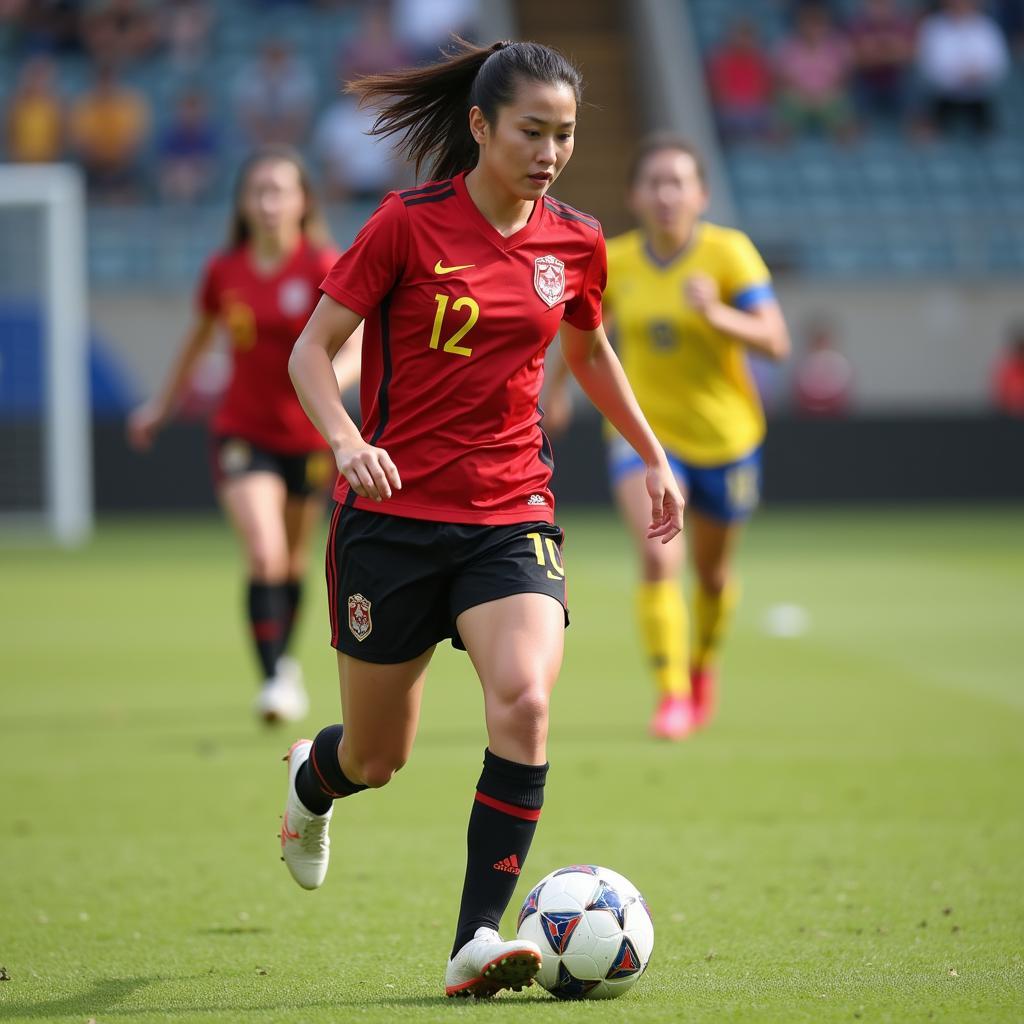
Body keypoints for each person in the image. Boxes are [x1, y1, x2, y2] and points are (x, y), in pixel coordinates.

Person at [281, 39, 683, 999]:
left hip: (512, 513)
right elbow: (310, 351)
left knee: (527, 699)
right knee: (378, 757)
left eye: (567, 134)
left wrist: (654, 451)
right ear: (479, 126)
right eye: (532, 131)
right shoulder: (406, 226)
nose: (550, 151)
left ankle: (476, 937)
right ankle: (310, 783)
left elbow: (587, 354)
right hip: (390, 518)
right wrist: (343, 441)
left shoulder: (576, 239)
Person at [546, 136, 790, 740]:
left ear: (702, 194)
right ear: (633, 195)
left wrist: (719, 316)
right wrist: (553, 391)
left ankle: (702, 665)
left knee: (710, 576)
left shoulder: (729, 254)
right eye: (653, 182)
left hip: (726, 438)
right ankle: (672, 693)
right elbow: (578, 332)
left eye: (678, 182)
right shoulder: (615, 260)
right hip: (644, 438)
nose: (665, 194)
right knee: (659, 560)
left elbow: (777, 342)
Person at [127, 146, 359, 723]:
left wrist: (330, 389)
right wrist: (160, 405)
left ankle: (284, 664)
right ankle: (275, 676)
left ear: (304, 200)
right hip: (241, 433)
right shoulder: (223, 272)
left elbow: (354, 345)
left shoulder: (323, 266)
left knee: (294, 564)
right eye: (258, 191)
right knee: (264, 553)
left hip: (308, 439)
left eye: (280, 190)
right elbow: (197, 342)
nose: (269, 202)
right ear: (242, 203)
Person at [916, 0, 1009, 137]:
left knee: (990, 135)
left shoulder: (987, 26)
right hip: (942, 96)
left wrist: (980, 75)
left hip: (979, 96)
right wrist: (957, 76)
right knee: (928, 134)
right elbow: (928, 64)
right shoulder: (933, 26)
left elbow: (999, 64)